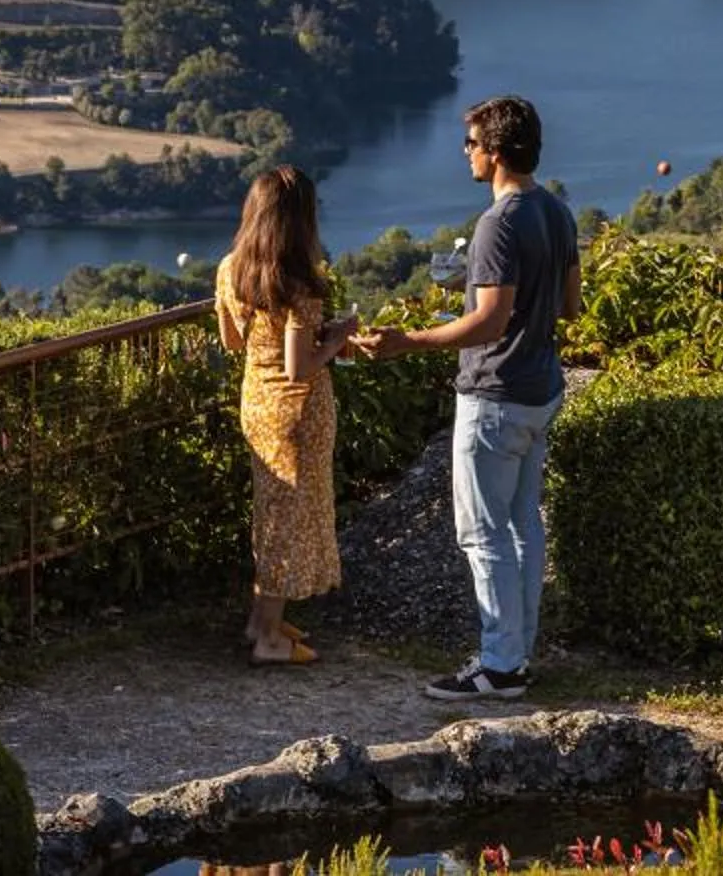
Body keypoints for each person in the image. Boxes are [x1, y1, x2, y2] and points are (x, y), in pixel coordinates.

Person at [352, 94, 577, 700]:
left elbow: (489, 322)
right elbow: (566, 304)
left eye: (472, 144)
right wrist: (493, 292)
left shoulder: (497, 224)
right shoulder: (556, 211)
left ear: (497, 153)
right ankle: (518, 653)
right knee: (524, 525)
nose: (466, 153)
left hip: (495, 393)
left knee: (482, 533)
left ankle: (500, 666)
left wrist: (409, 340)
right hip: (540, 388)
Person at [213, 166, 359, 666]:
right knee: (290, 522)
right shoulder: (299, 284)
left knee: (271, 514)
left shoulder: (231, 268)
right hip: (299, 414)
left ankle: (260, 620)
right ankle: (269, 639)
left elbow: (234, 341)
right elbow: (300, 369)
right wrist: (338, 336)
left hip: (256, 403)